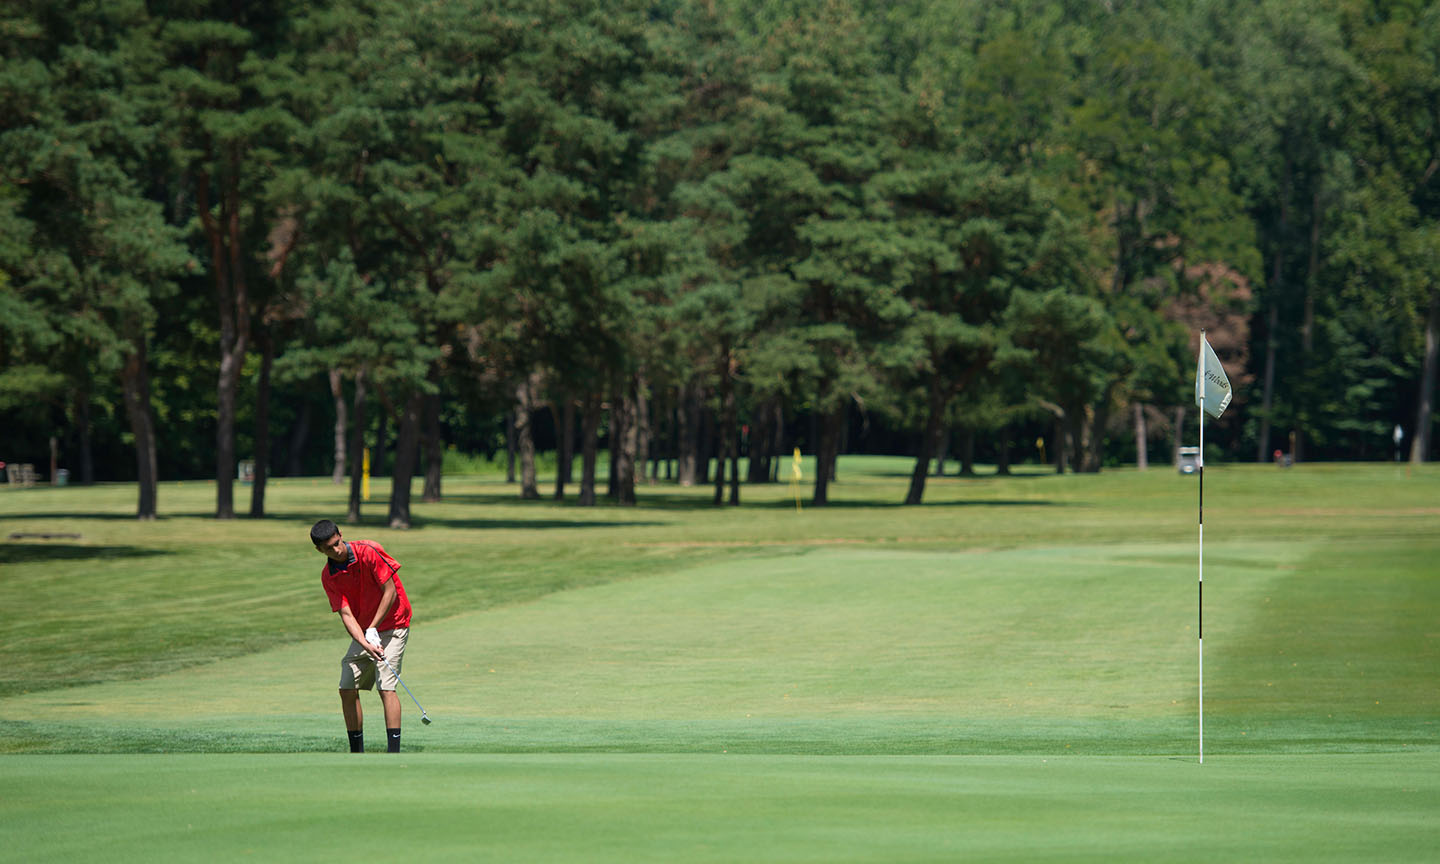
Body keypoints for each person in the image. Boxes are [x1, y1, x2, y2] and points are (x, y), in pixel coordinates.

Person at [310, 519, 413, 753]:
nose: (335, 550)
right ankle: (356, 753)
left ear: (341, 534)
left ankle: (393, 753)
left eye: (337, 543)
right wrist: (365, 642)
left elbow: (391, 592)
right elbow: (346, 615)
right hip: (366, 631)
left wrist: (373, 628)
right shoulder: (328, 576)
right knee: (346, 686)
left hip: (394, 623)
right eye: (328, 548)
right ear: (319, 550)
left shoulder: (369, 551)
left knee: (386, 686)